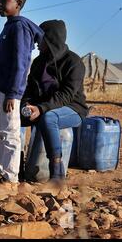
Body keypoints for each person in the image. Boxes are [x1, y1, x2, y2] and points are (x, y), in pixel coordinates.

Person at [0, 0, 44, 192]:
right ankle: (0, 173)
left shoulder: (19, 27)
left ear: (18, 4)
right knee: (1, 132)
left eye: (4, 1)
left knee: (11, 133)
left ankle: (10, 178)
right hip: (1, 88)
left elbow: (21, 62)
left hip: (9, 91)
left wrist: (13, 93)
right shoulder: (10, 25)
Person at [21, 19, 88, 182]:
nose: (36, 41)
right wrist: (26, 105)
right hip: (43, 108)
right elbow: (29, 89)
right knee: (13, 118)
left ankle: (57, 173)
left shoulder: (73, 62)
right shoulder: (38, 63)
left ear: (51, 39)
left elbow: (67, 95)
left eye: (40, 37)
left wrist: (42, 108)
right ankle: (14, 168)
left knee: (48, 118)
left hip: (72, 109)